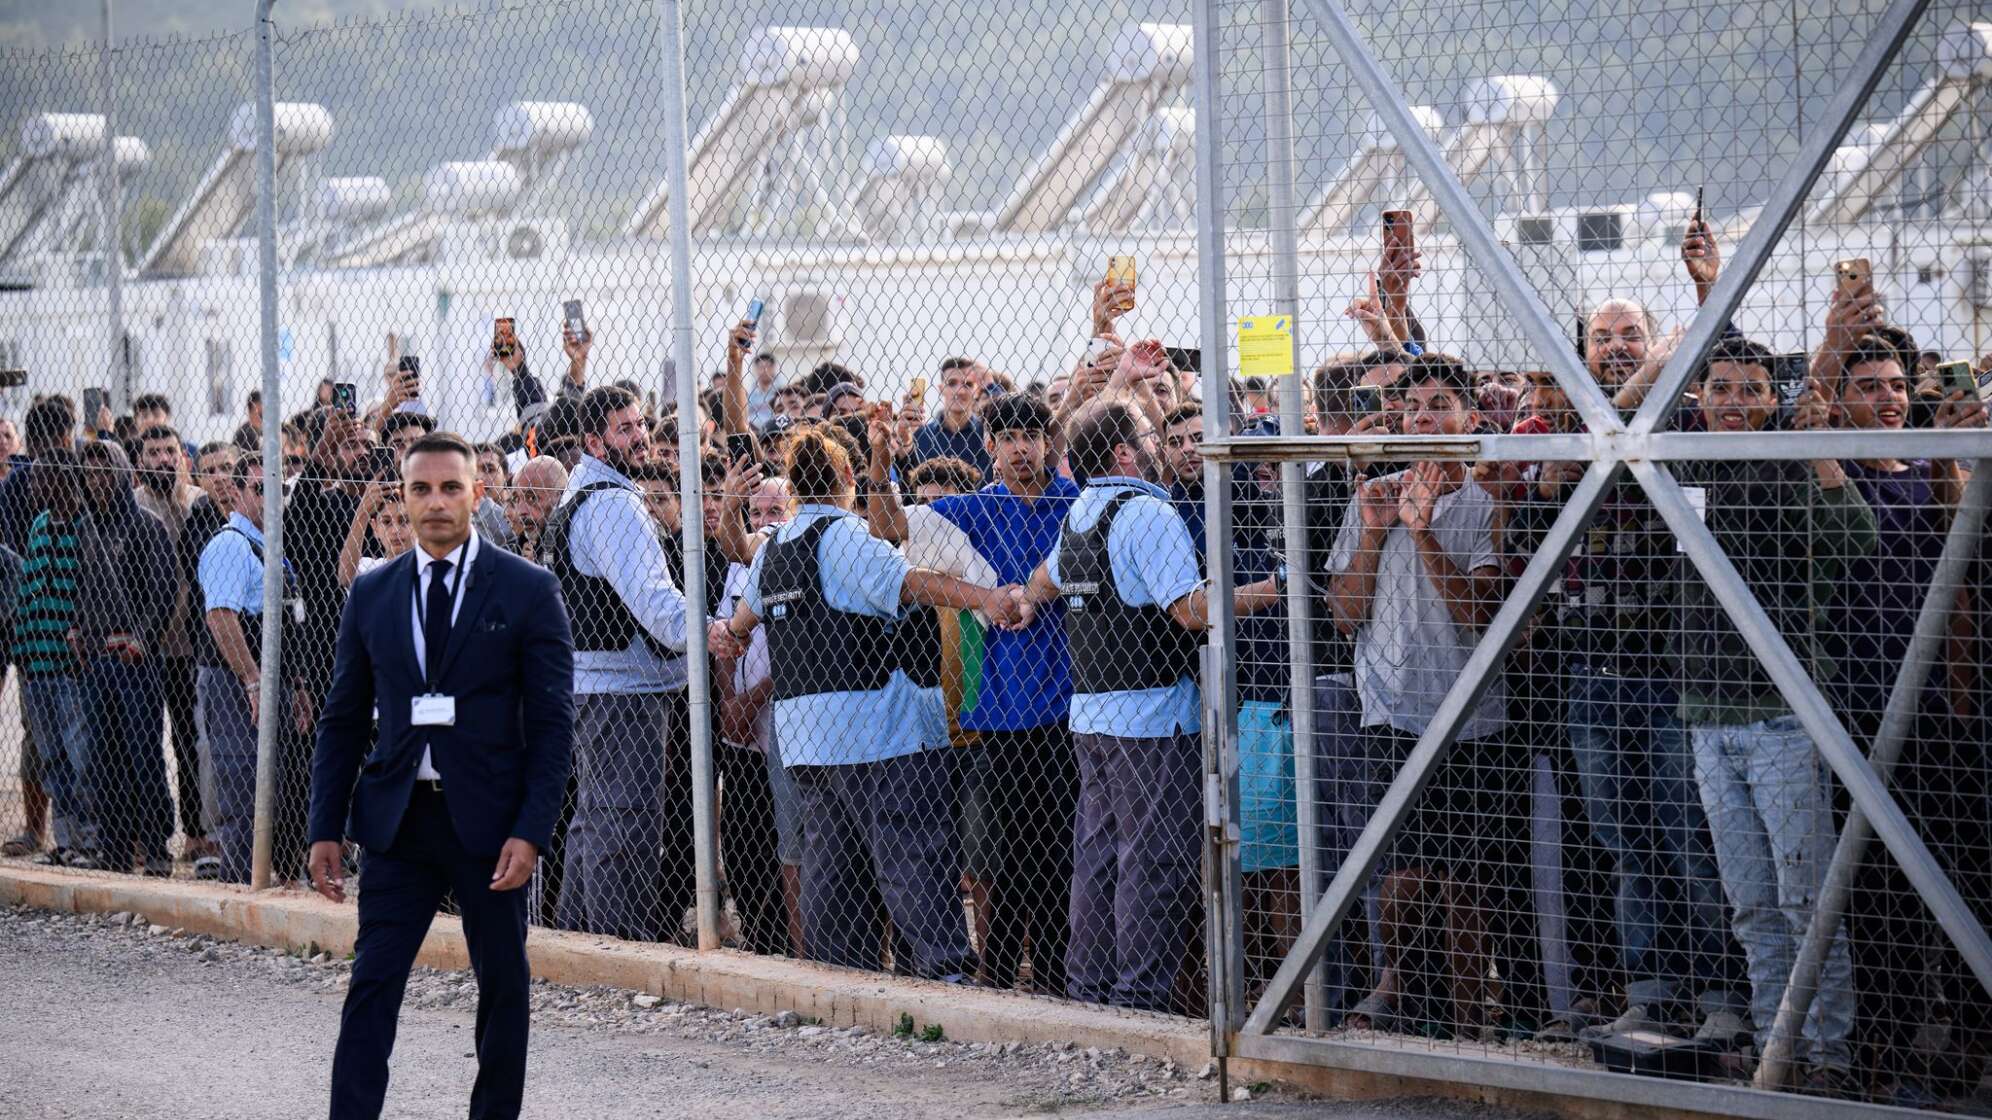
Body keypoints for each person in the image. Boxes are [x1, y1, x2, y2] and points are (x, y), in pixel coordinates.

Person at [308, 430, 575, 1120]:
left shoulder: (528, 590)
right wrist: (324, 828)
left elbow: (553, 727)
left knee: (504, 988)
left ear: (476, 493)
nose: (435, 503)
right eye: (420, 489)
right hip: (398, 824)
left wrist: (532, 830)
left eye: (450, 488)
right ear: (401, 497)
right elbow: (341, 719)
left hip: (491, 829)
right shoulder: (372, 595)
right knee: (372, 985)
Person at [708, 425, 1025, 979]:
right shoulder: (845, 539)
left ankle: (841, 984)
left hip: (807, 744)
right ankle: (944, 979)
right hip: (880, 737)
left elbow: (740, 623)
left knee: (834, 874)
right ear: (848, 479)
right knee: (912, 864)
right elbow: (915, 584)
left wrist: (728, 634)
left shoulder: (776, 547)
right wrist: (989, 597)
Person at [1017, 358, 1284, 1011]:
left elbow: (1042, 582)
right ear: (1124, 453)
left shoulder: (1081, 514)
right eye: (1146, 434)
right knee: (1152, 860)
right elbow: (1189, 610)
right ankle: (1141, 994)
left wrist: (1023, 599)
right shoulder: (1147, 514)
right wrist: (1274, 588)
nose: (1159, 441)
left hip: (1094, 716)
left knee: (1101, 856)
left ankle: (1091, 985)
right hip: (1152, 718)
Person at [1673, 336, 1875, 1095]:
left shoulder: (1790, 463)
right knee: (1751, 899)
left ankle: (1826, 1054)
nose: (1732, 402)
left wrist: (1816, 448)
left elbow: (1856, 536)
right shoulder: (1686, 464)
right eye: (1719, 388)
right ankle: (1773, 1043)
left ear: (1771, 401)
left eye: (1750, 390)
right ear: (1701, 400)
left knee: (1803, 897)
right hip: (1706, 714)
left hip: (1781, 716)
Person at [1325, 354, 1509, 1037]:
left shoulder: (1487, 506)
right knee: (1400, 876)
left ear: (1469, 418)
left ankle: (1469, 1020)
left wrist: (1424, 530)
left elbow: (1478, 613)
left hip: (1467, 718)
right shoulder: (1372, 496)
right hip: (1389, 712)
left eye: (1440, 404)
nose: (1424, 417)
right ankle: (1398, 994)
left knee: (1463, 881)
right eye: (1414, 407)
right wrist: (1377, 531)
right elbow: (1345, 615)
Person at [1828, 333, 1987, 1103]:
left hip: (1935, 711)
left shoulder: (1937, 469)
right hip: (1855, 708)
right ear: (1843, 398)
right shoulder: (1839, 472)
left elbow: (1959, 582)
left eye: (1897, 384)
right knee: (1875, 888)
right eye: (1869, 386)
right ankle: (1884, 1037)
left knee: (1955, 875)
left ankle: (1964, 1035)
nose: (1888, 397)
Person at [540, 385, 692, 941]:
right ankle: (618, 945)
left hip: (595, 683)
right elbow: (654, 602)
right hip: (622, 689)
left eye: (640, 425)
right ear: (593, 441)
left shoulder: (582, 496)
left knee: (595, 821)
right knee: (623, 824)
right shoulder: (614, 505)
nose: (640, 436)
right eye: (624, 429)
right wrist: (710, 634)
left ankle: (583, 940)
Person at [197, 454, 307, 883]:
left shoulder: (271, 546)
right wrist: (251, 680)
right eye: (260, 489)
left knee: (277, 783)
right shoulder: (230, 544)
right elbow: (221, 617)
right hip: (235, 683)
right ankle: (241, 882)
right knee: (242, 782)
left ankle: (266, 876)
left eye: (277, 489)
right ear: (239, 492)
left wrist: (294, 685)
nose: (271, 498)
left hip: (271, 682)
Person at [75, 440, 177, 876]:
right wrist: (76, 628)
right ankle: (114, 848)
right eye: (90, 473)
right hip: (96, 660)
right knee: (102, 756)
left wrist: (143, 640)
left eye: (104, 472)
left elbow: (164, 591)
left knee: (142, 754)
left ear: (120, 473)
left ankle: (155, 847)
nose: (97, 481)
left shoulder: (145, 525)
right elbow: (81, 586)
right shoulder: (85, 527)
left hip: (135, 662)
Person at [13, 449, 100, 869]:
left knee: (81, 754)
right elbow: (29, 591)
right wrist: (22, 648)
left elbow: (88, 593)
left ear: (62, 481)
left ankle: (90, 838)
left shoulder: (86, 528)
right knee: (53, 759)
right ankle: (66, 841)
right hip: (35, 663)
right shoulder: (39, 526)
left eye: (40, 480)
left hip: (70, 667)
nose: (32, 488)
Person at [132, 424, 212, 864]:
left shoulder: (198, 501)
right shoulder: (136, 505)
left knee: (187, 740)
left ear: (182, 456)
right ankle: (147, 834)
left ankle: (197, 832)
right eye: (153, 453)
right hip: (146, 644)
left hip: (188, 645)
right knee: (143, 743)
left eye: (169, 451)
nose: (162, 459)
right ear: (141, 461)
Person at [910, 357, 993, 477]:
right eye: (952, 383)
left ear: (978, 390)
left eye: (968, 384)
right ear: (941, 388)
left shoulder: (987, 433)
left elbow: (1011, 421)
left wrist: (990, 384)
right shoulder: (922, 435)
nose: (960, 391)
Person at [503, 456, 568, 563]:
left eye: (532, 497)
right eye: (516, 499)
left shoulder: (576, 545)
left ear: (560, 496)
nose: (520, 511)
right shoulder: (510, 554)